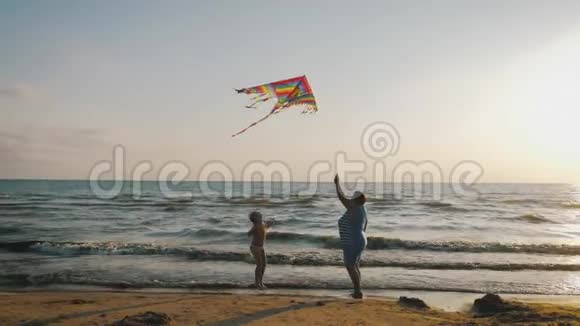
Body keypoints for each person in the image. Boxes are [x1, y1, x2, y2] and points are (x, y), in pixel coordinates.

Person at [334, 174, 368, 299]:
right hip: (358, 240)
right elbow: (366, 224)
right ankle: (358, 290)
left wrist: (337, 184)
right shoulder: (362, 209)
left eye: (352, 198)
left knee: (350, 266)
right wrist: (359, 235)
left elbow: (341, 197)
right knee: (355, 266)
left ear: (356, 200)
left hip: (353, 241)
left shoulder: (354, 207)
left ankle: (357, 292)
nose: (350, 200)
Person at [247, 211, 273, 289]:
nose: (261, 215)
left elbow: (266, 226)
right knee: (259, 265)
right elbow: (249, 233)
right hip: (255, 247)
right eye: (259, 215)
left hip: (261, 247)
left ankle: (260, 282)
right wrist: (254, 230)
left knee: (264, 265)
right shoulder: (256, 226)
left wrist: (270, 224)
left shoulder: (261, 224)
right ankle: (256, 283)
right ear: (255, 219)